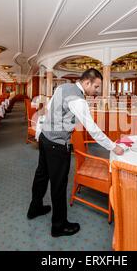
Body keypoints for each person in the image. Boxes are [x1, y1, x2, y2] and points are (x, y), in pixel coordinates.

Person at [27, 68, 124, 237]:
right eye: (96, 87)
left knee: (41, 175)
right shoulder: (78, 100)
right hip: (57, 145)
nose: (97, 91)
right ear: (87, 82)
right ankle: (58, 226)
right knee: (59, 185)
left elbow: (49, 109)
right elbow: (93, 129)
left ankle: (35, 208)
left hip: (45, 138)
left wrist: (41, 131)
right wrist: (113, 147)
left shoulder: (63, 87)